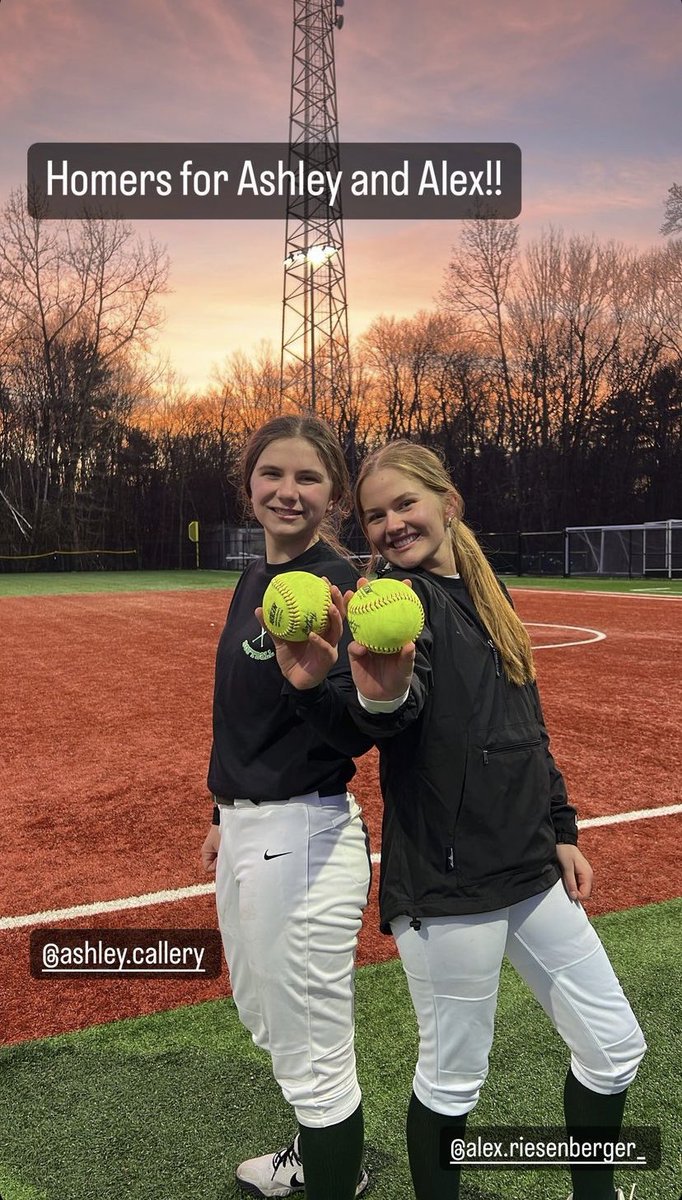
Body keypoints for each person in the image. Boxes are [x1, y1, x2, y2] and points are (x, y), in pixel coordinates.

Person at [287, 440, 646, 1200]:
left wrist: (563, 829)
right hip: (451, 885)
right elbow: (390, 708)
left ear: (449, 503)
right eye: (374, 516)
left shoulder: (488, 590)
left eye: (404, 504)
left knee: (615, 1048)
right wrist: (376, 694)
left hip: (528, 866)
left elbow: (527, 721)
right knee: (454, 1082)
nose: (390, 525)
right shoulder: (398, 603)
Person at [200, 414, 372, 1200]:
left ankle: (338, 1178)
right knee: (267, 1012)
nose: (288, 491)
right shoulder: (254, 578)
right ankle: (318, 1156)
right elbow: (239, 710)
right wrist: (220, 815)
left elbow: (362, 727)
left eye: (307, 478)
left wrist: (314, 684)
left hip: (302, 828)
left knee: (308, 1042)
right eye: (273, 474)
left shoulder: (346, 587)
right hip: (250, 826)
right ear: (249, 487)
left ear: (332, 492)